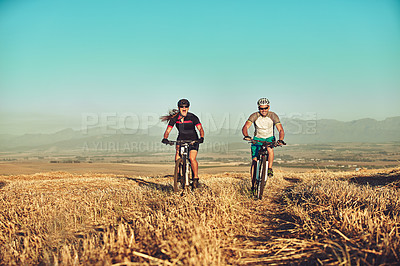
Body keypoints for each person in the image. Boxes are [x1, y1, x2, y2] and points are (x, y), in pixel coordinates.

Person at [242, 98, 285, 191]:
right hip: (257, 139)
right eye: (261, 108)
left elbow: (280, 129)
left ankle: (269, 168)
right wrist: (246, 135)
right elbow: (245, 126)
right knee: (254, 161)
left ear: (268, 107)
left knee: (270, 149)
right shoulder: (254, 116)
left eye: (265, 108)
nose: (263, 110)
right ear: (258, 108)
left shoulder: (273, 116)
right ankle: (253, 185)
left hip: (269, 138)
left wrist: (281, 139)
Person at [161, 99, 205, 187]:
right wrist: (165, 138)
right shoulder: (175, 118)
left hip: (193, 140)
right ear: (179, 108)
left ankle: (195, 178)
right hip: (181, 138)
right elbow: (168, 130)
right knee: (178, 152)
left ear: (188, 108)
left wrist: (201, 137)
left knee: (192, 158)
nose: (184, 108)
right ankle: (178, 173)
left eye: (186, 107)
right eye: (182, 107)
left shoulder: (193, 117)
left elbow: (200, 128)